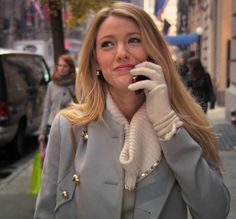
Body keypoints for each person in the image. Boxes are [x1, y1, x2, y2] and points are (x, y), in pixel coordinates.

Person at [34, 2, 230, 219]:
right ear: (96, 61)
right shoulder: (68, 127)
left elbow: (215, 211)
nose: (121, 53)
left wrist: (166, 124)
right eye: (107, 44)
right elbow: (45, 212)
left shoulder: (184, 120)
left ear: (152, 51)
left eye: (134, 40)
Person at [38, 54, 76, 149]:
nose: (61, 68)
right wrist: (42, 132)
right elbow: (47, 108)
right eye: (59, 65)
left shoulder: (76, 84)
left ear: (70, 68)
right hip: (52, 125)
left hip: (69, 126)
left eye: (65, 66)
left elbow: (81, 106)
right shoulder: (52, 85)